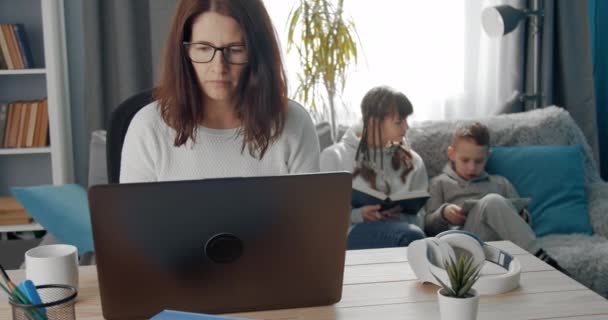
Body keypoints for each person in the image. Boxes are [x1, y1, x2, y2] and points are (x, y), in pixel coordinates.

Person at [120, 0, 320, 183]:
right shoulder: (147, 128)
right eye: (204, 48)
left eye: (234, 49)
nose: (219, 67)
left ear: (257, 54)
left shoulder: (295, 124)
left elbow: (312, 221)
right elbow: (132, 222)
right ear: (184, 52)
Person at [424, 122, 566, 272]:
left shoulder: (500, 183)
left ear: (487, 156)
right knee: (492, 201)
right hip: (463, 245)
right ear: (452, 154)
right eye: (465, 160)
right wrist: (444, 213)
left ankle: (533, 258)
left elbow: (525, 225)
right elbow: (427, 227)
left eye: (478, 161)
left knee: (494, 202)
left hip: (499, 244)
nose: (472, 167)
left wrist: (521, 216)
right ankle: (540, 258)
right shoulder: (439, 183)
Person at [321, 86, 427, 250]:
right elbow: (323, 216)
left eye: (406, 120)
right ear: (373, 122)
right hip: (351, 233)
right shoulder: (334, 157)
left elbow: (421, 217)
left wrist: (398, 216)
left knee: (415, 235)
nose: (406, 127)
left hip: (404, 231)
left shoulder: (413, 161)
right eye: (399, 122)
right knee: (411, 236)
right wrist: (359, 215)